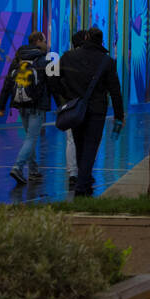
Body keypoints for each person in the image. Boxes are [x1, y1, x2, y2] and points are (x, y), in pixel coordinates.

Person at [52, 27, 124, 198]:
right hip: (96, 111)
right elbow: (115, 90)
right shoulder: (107, 61)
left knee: (80, 144)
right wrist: (119, 115)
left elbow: (54, 79)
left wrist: (65, 97)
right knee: (91, 146)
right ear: (101, 40)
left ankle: (82, 181)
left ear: (86, 38)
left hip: (75, 109)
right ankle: (82, 184)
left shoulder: (69, 57)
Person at [0, 31, 58, 185]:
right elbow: (52, 84)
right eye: (44, 40)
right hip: (37, 105)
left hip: (21, 104)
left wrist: (1, 104)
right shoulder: (43, 60)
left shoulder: (19, 58)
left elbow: (8, 82)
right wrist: (61, 103)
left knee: (29, 139)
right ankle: (17, 167)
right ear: (38, 41)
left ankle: (33, 171)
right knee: (31, 139)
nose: (46, 43)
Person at [65, 29, 87, 190]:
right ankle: (84, 171)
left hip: (70, 103)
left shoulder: (66, 58)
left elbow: (57, 80)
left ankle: (72, 172)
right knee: (87, 138)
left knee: (71, 139)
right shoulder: (90, 59)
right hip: (85, 103)